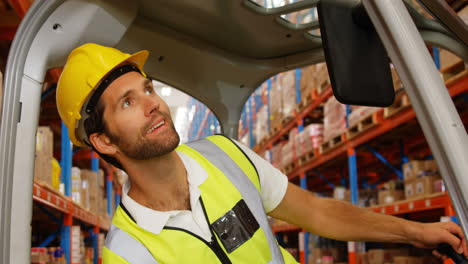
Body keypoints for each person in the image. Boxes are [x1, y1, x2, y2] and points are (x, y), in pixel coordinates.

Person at [56, 43, 467, 264]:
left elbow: (320, 213)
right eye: (127, 103)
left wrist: (415, 232)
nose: (152, 103)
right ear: (105, 142)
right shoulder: (128, 254)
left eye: (147, 89)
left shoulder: (225, 155)